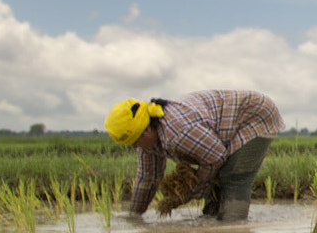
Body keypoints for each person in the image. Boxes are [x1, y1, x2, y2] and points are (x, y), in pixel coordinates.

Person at [104, 90, 285, 221]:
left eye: (135, 142)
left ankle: (234, 230)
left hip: (255, 115)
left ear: (146, 132)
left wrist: (190, 191)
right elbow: (147, 179)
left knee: (233, 178)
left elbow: (216, 157)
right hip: (222, 132)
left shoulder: (177, 132)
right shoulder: (148, 142)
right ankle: (213, 226)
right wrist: (133, 216)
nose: (135, 147)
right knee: (213, 180)